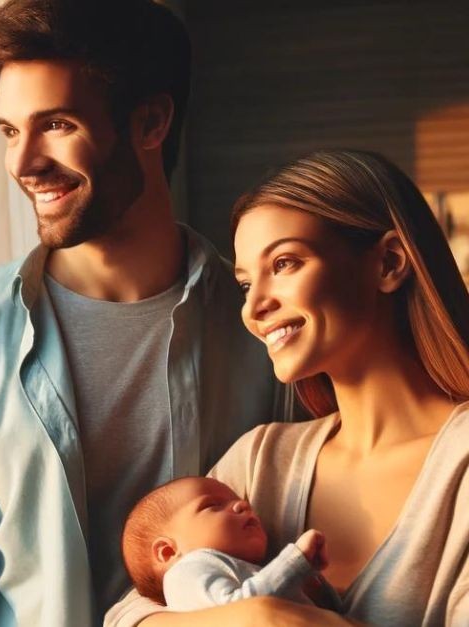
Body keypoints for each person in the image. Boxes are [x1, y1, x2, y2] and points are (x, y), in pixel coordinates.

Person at [0, 1, 290, 625]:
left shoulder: (261, 324)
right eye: (10, 131)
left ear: (151, 121)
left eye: (55, 124)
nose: (22, 164)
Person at [106, 150, 469, 626]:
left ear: (389, 263)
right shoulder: (262, 461)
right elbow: (127, 617)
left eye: (284, 263)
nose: (254, 307)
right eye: (243, 284)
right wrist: (257, 617)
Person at [121, 476, 329, 611]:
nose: (242, 504)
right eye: (213, 505)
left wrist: (312, 586)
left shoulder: (253, 572)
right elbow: (240, 612)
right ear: (168, 552)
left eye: (237, 499)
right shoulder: (184, 573)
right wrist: (294, 562)